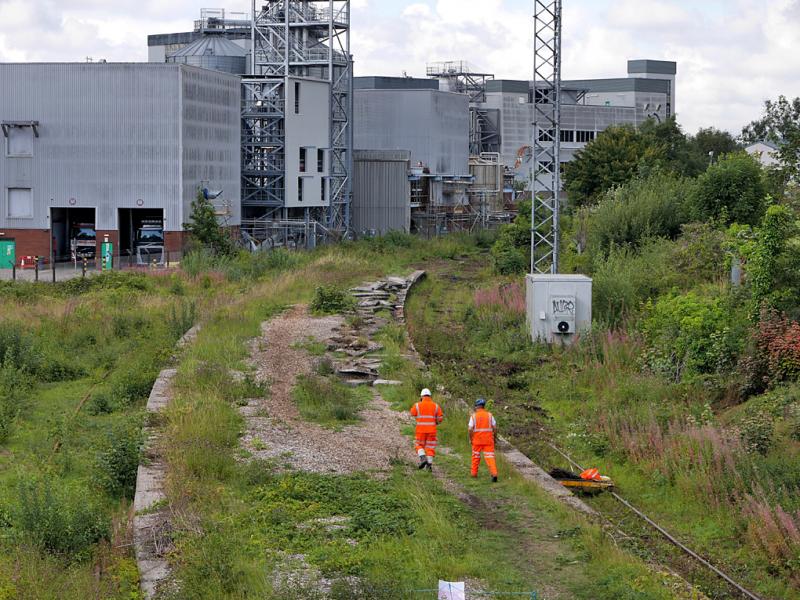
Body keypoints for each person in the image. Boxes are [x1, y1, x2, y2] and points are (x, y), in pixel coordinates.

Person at [409, 388, 443, 470]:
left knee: (419, 445)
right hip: (432, 431)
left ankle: (423, 458)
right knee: (430, 447)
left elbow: (412, 413)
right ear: (430, 396)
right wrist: (436, 422)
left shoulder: (417, 405)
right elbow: (440, 418)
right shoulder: (436, 406)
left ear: (421, 396)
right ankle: (429, 465)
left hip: (420, 430)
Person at [469, 398, 498, 482]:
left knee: (475, 457)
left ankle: (474, 474)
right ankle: (494, 474)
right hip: (488, 441)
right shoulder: (490, 415)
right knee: (490, 457)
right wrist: (494, 438)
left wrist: (471, 439)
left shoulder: (473, 416)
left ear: (476, 406)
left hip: (477, 441)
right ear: (484, 406)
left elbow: (470, 429)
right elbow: (495, 428)